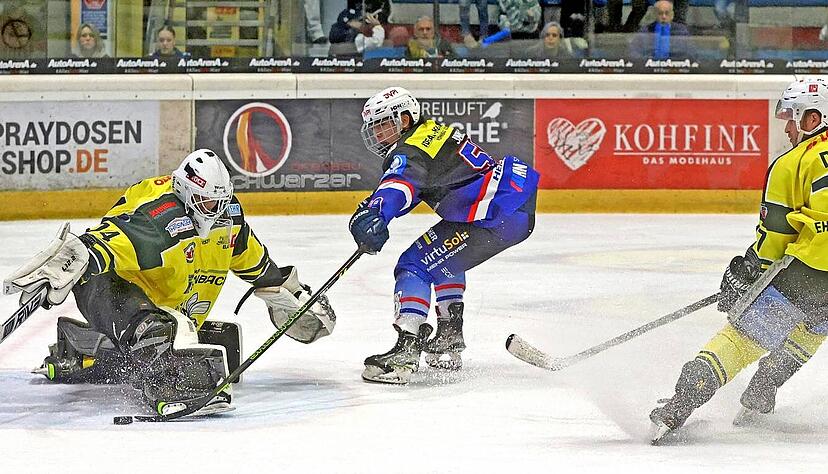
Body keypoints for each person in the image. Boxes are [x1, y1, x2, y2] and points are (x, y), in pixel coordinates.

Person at [4, 149, 336, 417]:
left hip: (162, 301)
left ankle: (92, 347)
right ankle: (159, 379)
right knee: (155, 331)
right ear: (187, 192)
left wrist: (291, 295)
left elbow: (259, 266)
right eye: (208, 203)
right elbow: (107, 243)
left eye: (222, 202)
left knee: (217, 346)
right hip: (108, 287)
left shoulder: (227, 220)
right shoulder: (160, 219)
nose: (216, 211)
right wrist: (72, 261)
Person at [649, 78, 828, 443]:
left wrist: (750, 274)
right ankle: (763, 389)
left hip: (810, 271)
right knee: (812, 328)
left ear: (813, 118)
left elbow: (775, 238)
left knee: (742, 339)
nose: (787, 127)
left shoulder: (792, 164)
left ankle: (679, 405)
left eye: (792, 119)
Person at [349, 87, 539, 384]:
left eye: (384, 124)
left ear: (405, 119)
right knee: (444, 261)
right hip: (510, 207)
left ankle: (405, 353)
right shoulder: (429, 133)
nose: (379, 134)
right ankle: (449, 341)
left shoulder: (410, 149)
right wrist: (382, 209)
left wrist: (378, 211)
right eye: (375, 127)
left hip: (494, 212)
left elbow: (400, 185)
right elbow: (418, 186)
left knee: (414, 266)